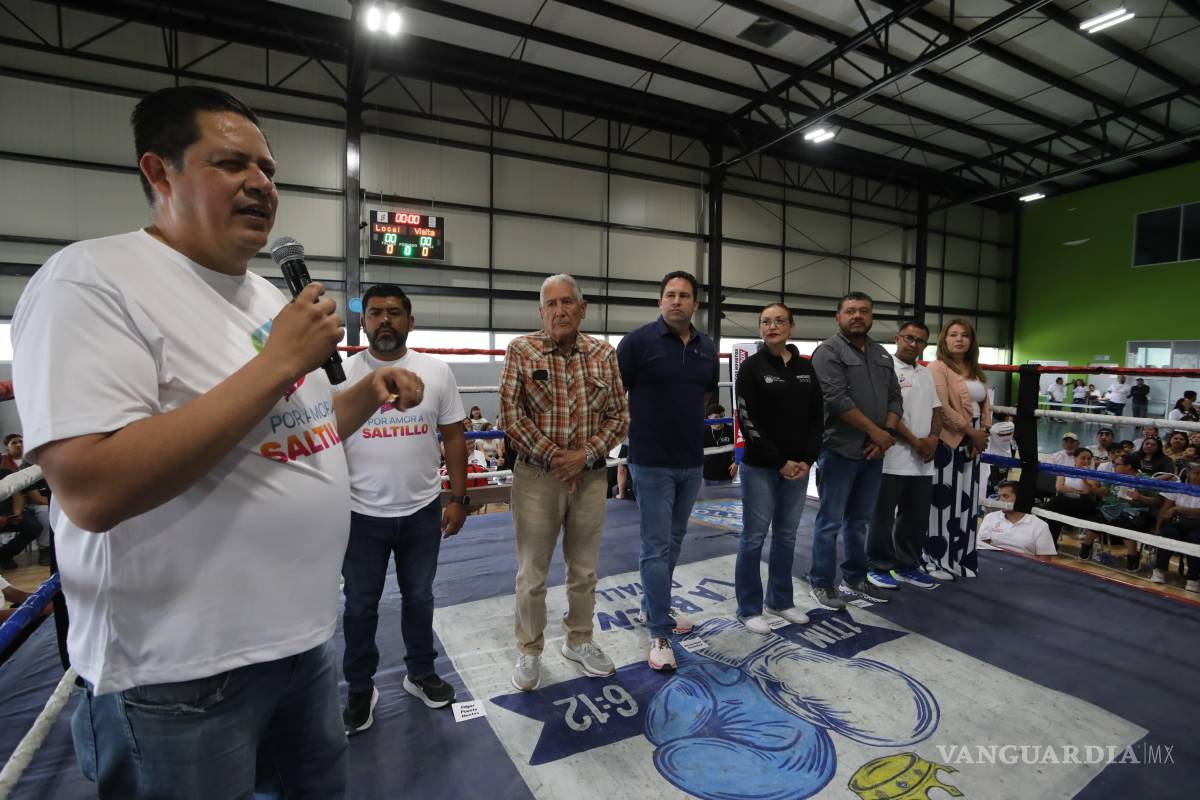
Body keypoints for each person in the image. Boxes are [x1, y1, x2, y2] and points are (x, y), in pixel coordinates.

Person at [10, 86, 426, 798]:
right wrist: (277, 364)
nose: (260, 184)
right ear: (159, 171)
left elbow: (297, 428)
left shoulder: (267, 298)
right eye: (231, 163)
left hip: (301, 642)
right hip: (180, 673)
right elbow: (93, 487)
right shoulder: (91, 281)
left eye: (268, 170)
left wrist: (365, 393)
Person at [340, 284, 469, 733]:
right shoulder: (342, 374)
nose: (385, 321)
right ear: (363, 322)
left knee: (420, 597)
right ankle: (360, 688)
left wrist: (458, 497)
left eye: (395, 312)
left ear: (410, 322)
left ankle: (420, 672)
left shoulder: (436, 371)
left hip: (421, 512)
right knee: (359, 605)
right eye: (375, 313)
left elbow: (453, 435)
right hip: (359, 513)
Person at [500, 274, 629, 690]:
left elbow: (619, 417)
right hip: (538, 477)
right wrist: (558, 458)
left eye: (567, 302)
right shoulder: (521, 350)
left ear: (582, 307)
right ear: (541, 312)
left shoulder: (603, 353)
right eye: (551, 304)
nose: (559, 311)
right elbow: (511, 416)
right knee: (532, 574)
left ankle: (579, 640)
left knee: (585, 570)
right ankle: (529, 649)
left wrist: (585, 457)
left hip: (590, 478)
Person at [617, 271, 718, 670]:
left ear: (695, 304)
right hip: (651, 461)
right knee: (656, 546)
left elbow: (704, 395)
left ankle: (651, 607)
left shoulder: (707, 347)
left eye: (685, 296)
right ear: (660, 302)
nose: (676, 301)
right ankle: (659, 631)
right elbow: (613, 391)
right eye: (670, 295)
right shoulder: (637, 343)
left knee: (674, 542)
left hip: (691, 461)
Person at [733, 303, 822, 633]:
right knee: (754, 537)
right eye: (765, 322)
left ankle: (781, 601)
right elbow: (748, 420)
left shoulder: (806, 368)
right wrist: (779, 462)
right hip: (762, 467)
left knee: (786, 536)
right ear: (759, 328)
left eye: (779, 321)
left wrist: (807, 460)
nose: (772, 326)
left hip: (799, 469)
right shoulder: (751, 368)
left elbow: (818, 418)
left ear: (791, 326)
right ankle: (748, 607)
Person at [809, 292, 901, 608]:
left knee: (860, 519)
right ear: (839, 317)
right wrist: (877, 433)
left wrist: (884, 435)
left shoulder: (882, 355)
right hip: (838, 449)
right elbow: (835, 400)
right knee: (830, 520)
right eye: (850, 311)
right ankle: (821, 582)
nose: (857, 316)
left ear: (872, 317)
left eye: (863, 311)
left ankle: (855, 577)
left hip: (873, 452)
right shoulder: (827, 352)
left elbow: (894, 398)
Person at [866, 321, 941, 591]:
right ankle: (877, 565)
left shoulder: (925, 374)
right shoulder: (885, 370)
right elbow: (890, 413)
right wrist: (916, 441)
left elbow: (937, 410)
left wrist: (932, 439)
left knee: (915, 516)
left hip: (922, 460)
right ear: (898, 338)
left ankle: (907, 565)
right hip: (893, 456)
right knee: (882, 516)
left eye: (919, 340)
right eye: (909, 338)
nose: (913, 344)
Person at [925, 318, 992, 579]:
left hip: (973, 441)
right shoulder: (937, 367)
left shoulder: (976, 370)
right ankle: (937, 558)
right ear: (944, 339)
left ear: (972, 341)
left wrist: (983, 432)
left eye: (964, 335)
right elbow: (941, 406)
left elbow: (985, 405)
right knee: (943, 500)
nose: (959, 339)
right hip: (948, 438)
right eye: (953, 334)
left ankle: (962, 557)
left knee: (966, 501)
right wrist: (971, 432)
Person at [1082, 453, 1160, 570]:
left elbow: (1157, 502)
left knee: (1123, 522)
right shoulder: (1114, 477)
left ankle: (1133, 556)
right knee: (1097, 518)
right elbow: (1104, 492)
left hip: (1138, 513)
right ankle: (1086, 546)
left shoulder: (1146, 480)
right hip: (1113, 509)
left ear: (1128, 466)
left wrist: (1140, 497)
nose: (1114, 466)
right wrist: (1089, 486)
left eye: (1117, 464)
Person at [1151, 463, 1200, 591]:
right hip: (1177, 522)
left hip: (1197, 526)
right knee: (1167, 534)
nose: (1199, 476)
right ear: (1188, 473)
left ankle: (1193, 578)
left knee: (1196, 540)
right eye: (1197, 473)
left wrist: (1177, 509)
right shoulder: (1177, 487)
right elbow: (1166, 507)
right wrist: (1158, 527)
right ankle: (1160, 569)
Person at [977, 481, 1056, 561]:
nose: (1000, 501)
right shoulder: (990, 517)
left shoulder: (1040, 526)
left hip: (1023, 568)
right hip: (994, 563)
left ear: (1020, 498)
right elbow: (981, 547)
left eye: (1005, 496)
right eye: (999, 497)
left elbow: (1045, 561)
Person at [1043, 449, 1104, 544]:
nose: (1086, 461)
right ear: (1075, 458)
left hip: (1083, 505)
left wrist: (1084, 476)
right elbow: (1059, 487)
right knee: (1055, 517)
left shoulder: (1092, 474)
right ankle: (1051, 545)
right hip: (1065, 505)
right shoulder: (1065, 470)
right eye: (1083, 458)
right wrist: (1077, 491)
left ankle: (1039, 515)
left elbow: (1087, 491)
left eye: (1089, 459)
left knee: (1057, 501)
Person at [703, 405, 737, 486]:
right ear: (709, 417)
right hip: (707, 477)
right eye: (716, 417)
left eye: (721, 416)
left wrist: (736, 462)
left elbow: (740, 447)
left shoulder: (732, 430)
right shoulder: (703, 432)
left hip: (727, 476)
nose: (719, 419)